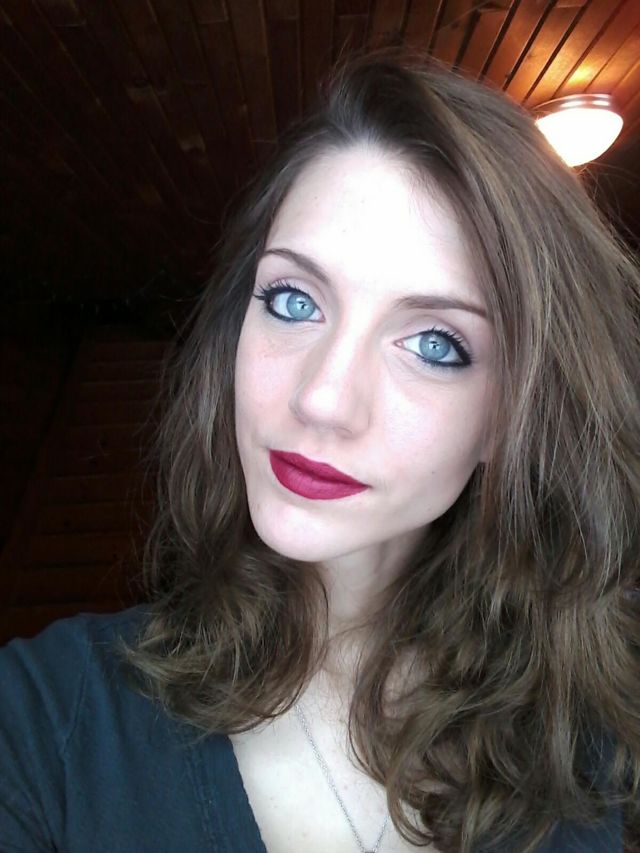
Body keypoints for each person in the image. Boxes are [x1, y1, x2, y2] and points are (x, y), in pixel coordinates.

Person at [1, 49, 639, 853]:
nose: (323, 398)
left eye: (435, 344)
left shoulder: (589, 747)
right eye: (294, 300)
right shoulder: (49, 722)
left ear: (509, 418)